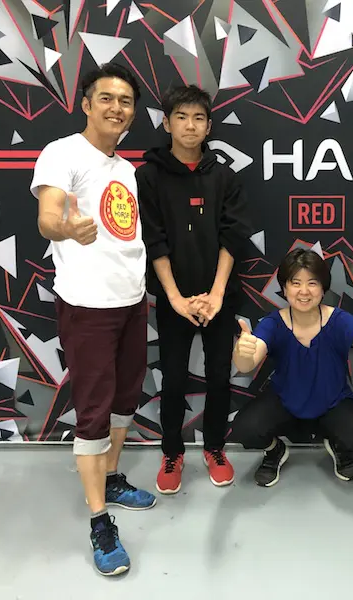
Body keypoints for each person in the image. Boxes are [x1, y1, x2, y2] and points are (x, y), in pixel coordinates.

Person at [31, 63, 156, 577]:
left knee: (125, 398)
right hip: (87, 305)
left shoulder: (125, 168)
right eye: (106, 98)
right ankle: (100, 521)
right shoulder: (62, 153)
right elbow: (48, 215)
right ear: (86, 104)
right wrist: (66, 229)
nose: (116, 108)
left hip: (131, 300)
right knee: (93, 411)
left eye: (125, 101)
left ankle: (112, 476)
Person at [136, 84, 251, 495]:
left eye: (198, 118)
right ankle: (172, 451)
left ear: (209, 126)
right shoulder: (147, 176)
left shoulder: (224, 177)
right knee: (173, 378)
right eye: (181, 117)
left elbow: (232, 237)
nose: (190, 125)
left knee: (219, 376)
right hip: (174, 299)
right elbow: (154, 240)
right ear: (167, 124)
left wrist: (216, 295)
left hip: (219, 297)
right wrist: (175, 298)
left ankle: (215, 448)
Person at [229, 248, 353, 486]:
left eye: (312, 283)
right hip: (285, 402)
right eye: (295, 283)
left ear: (323, 288)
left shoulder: (339, 320)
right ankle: (275, 451)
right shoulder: (273, 323)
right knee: (245, 429)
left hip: (332, 403)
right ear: (284, 288)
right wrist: (242, 352)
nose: (304, 291)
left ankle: (339, 447)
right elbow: (247, 362)